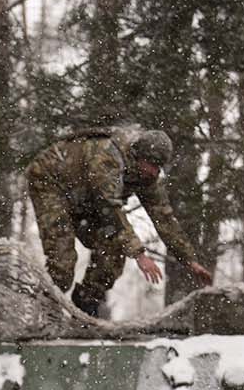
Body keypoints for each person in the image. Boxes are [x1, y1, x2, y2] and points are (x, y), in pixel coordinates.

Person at [25, 127, 214, 317]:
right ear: (137, 155)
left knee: (114, 250)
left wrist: (189, 260)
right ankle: (41, 314)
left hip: (86, 197)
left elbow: (164, 218)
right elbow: (109, 210)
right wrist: (140, 255)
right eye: (151, 163)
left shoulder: (147, 176)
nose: (155, 171)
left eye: (159, 166)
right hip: (51, 183)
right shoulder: (107, 157)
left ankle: (85, 307)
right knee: (62, 262)